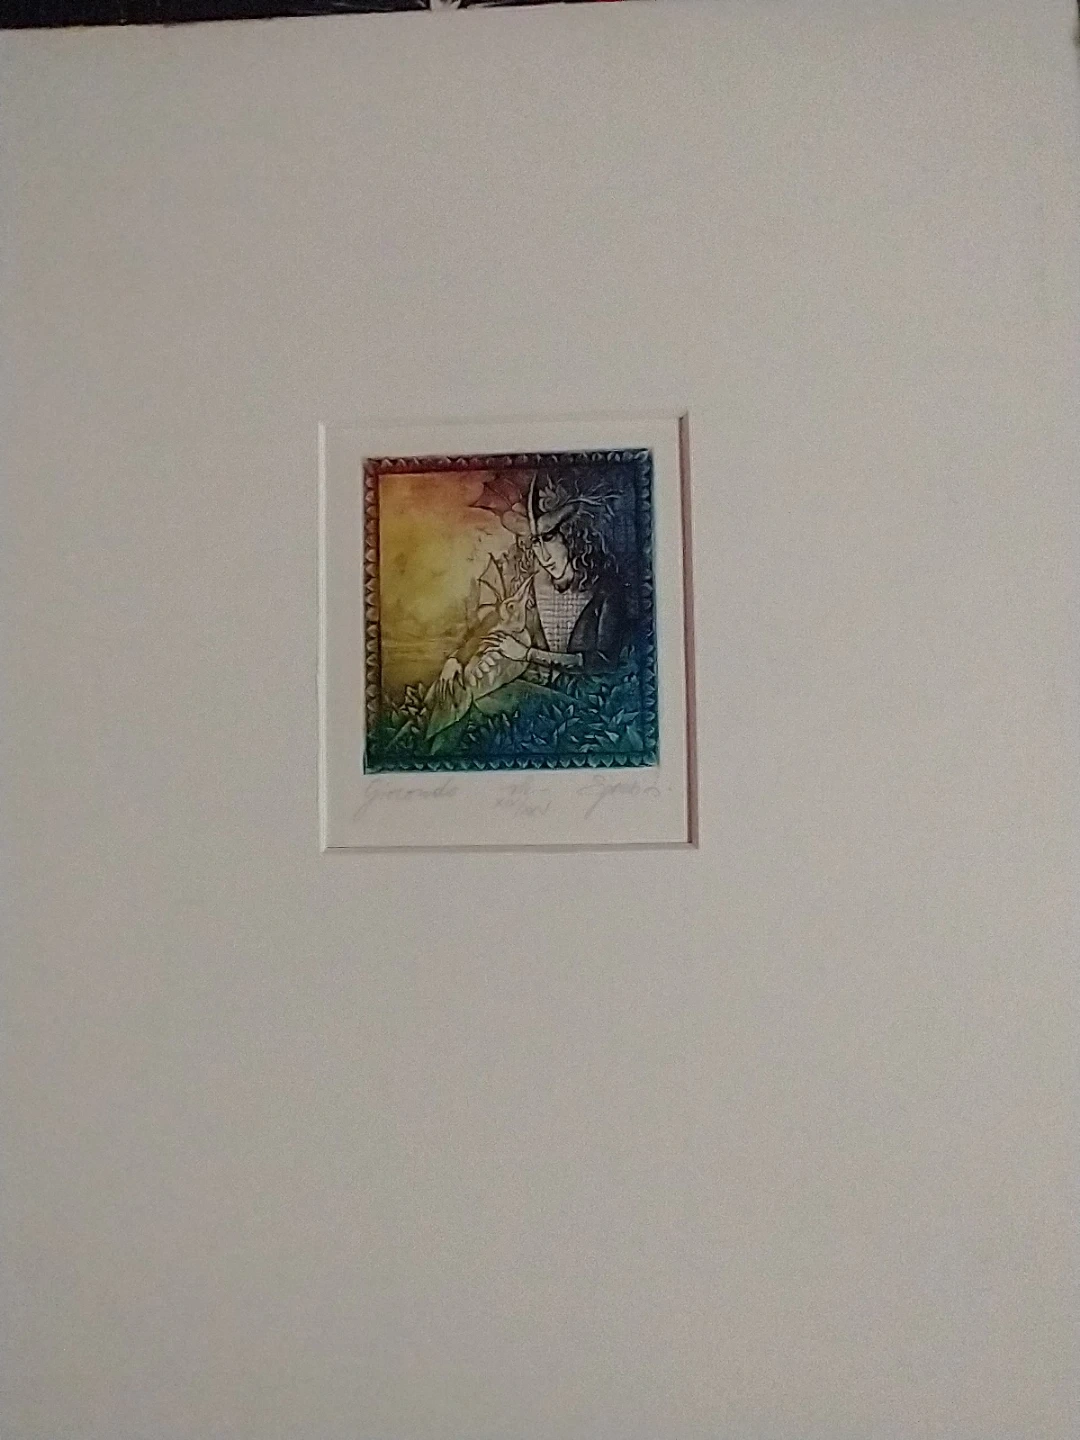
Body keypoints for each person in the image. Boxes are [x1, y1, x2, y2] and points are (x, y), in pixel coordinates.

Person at [484, 473, 629, 675]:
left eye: (549, 538)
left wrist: (529, 654)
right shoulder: (529, 587)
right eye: (535, 542)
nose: (543, 556)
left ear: (572, 535)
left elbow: (604, 662)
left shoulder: (607, 589)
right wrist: (457, 659)